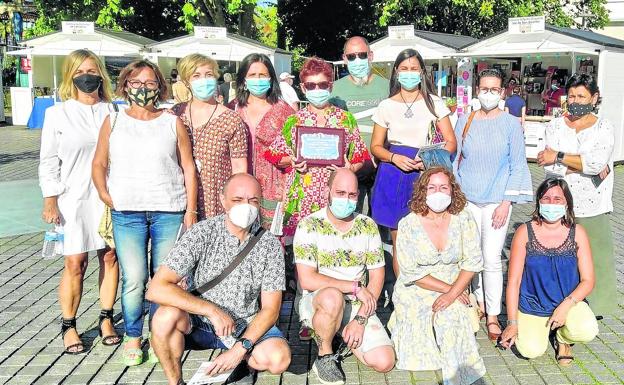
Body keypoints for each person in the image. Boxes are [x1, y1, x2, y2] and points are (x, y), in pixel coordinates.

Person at [92, 59, 198, 366]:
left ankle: (157, 334)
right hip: (127, 211)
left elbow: (188, 167)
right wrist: (103, 191)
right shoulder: (114, 121)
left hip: (168, 209)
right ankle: (133, 336)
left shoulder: (171, 122)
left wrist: (190, 210)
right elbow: (98, 162)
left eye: (150, 83)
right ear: (125, 85)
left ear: (160, 87)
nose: (143, 89)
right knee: (135, 278)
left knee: (162, 279)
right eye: (136, 83)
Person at [147, 173, 291, 385]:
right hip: (199, 320)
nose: (247, 206)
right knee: (163, 318)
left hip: (244, 322)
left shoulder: (269, 244)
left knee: (279, 359)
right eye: (238, 200)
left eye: (253, 201)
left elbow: (271, 309)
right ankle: (175, 382)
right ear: (223, 201)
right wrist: (211, 310)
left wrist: (239, 349)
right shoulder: (202, 232)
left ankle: (242, 363)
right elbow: (156, 289)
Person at [39, 49, 121, 354]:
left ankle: (106, 318)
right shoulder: (57, 113)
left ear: (100, 73)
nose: (87, 76)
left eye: (92, 70)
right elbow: (48, 161)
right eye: (79, 72)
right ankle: (69, 324)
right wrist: (50, 200)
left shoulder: (113, 110)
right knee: (75, 262)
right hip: (72, 197)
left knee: (110, 257)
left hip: (108, 195)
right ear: (70, 76)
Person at [453, 68, 533, 342]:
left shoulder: (511, 124)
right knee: (469, 257)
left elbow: (517, 165)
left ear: (502, 93)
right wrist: (455, 196)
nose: (488, 94)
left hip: (497, 201)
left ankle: (493, 314)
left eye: (494, 90)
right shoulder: (465, 120)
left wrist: (506, 202)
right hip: (467, 200)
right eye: (484, 88)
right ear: (477, 90)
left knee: (491, 258)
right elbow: (455, 159)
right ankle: (477, 303)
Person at [294, 169, 395, 385]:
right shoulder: (308, 225)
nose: (346, 200)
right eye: (340, 193)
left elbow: (377, 276)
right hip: (320, 300)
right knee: (332, 297)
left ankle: (339, 328)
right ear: (327, 192)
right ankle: (324, 354)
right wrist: (354, 286)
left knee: (384, 361)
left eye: (352, 195)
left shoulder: (367, 226)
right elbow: (307, 280)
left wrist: (360, 319)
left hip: (357, 304)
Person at [389, 167, 485, 385]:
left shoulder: (464, 218)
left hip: (455, 283)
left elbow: (472, 262)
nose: (438, 192)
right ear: (423, 191)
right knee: (420, 357)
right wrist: (448, 292)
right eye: (432, 187)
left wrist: (453, 293)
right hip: (418, 285)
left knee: (452, 314)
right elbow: (410, 271)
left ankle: (456, 377)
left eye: (443, 187)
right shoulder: (408, 224)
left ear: (453, 190)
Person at [369, 48, 456, 277]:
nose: (409, 73)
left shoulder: (434, 103)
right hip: (394, 174)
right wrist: (394, 157)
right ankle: (403, 297)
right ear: (396, 72)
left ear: (422, 72)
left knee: (429, 237)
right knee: (400, 242)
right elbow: (376, 146)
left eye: (414, 69)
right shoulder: (386, 106)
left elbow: (451, 142)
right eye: (404, 69)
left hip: (425, 176)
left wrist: (426, 158)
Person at [265, 57, 370, 240]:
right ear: (303, 88)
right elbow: (276, 155)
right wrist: (292, 160)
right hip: (302, 195)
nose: (317, 90)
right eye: (311, 86)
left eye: (322, 84)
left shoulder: (345, 119)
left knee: (335, 246)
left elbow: (359, 156)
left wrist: (349, 168)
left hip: (335, 195)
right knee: (303, 248)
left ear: (330, 86)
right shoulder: (294, 121)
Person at [537, 73, 616, 318]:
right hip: (560, 204)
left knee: (597, 257)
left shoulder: (604, 126)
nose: (575, 100)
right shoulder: (556, 125)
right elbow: (550, 168)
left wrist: (560, 157)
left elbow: (595, 163)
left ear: (594, 98)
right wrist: (578, 163)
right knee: (562, 258)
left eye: (581, 96)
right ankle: (560, 304)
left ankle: (596, 309)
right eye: (571, 95)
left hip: (593, 204)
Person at [500, 178, 598, 365]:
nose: (551, 203)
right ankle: (541, 329)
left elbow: (588, 280)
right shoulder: (524, 232)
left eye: (557, 199)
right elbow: (514, 282)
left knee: (587, 329)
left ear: (567, 203)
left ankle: (562, 339)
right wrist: (512, 323)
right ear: (538, 202)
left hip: (568, 302)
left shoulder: (578, 232)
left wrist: (566, 306)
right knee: (530, 350)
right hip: (533, 304)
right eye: (546, 198)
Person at [170, 53, 248, 219]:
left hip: (216, 204)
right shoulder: (176, 114)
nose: (203, 80)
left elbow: (239, 168)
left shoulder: (231, 119)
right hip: (178, 201)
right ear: (186, 81)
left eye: (209, 75)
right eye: (196, 76)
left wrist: (235, 203)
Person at [230, 54, 295, 229]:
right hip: (239, 181)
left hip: (275, 186)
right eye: (252, 75)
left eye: (262, 75)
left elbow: (295, 150)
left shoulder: (284, 112)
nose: (257, 80)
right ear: (243, 79)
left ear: (271, 78)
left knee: (271, 239)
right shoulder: (233, 109)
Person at [330, 36, 389, 213]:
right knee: (352, 221)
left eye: (362, 55)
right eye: (352, 56)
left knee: (382, 223)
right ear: (344, 58)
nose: (357, 60)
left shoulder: (388, 86)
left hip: (383, 167)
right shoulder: (334, 89)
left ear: (371, 56)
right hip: (349, 170)